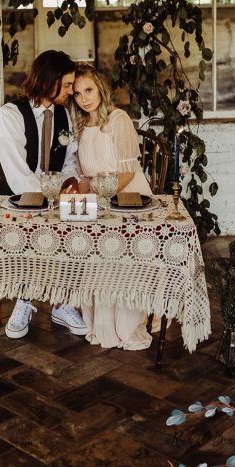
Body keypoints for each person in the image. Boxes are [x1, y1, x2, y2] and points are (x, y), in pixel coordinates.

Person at [0, 50, 87, 340]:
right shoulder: (8, 116)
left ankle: (60, 302)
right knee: (39, 228)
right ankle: (24, 299)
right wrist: (51, 202)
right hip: (5, 200)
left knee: (80, 225)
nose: (70, 92)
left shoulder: (63, 115)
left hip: (47, 198)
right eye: (66, 86)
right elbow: (18, 176)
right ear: (47, 81)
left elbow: (67, 160)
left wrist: (71, 183)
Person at [71, 63, 153, 351]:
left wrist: (103, 198)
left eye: (89, 90)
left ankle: (126, 325)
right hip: (96, 200)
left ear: (101, 87)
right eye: (78, 93)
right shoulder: (80, 126)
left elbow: (128, 172)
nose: (84, 98)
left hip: (124, 197)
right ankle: (98, 322)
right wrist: (83, 202)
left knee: (116, 247)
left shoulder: (118, 120)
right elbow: (82, 176)